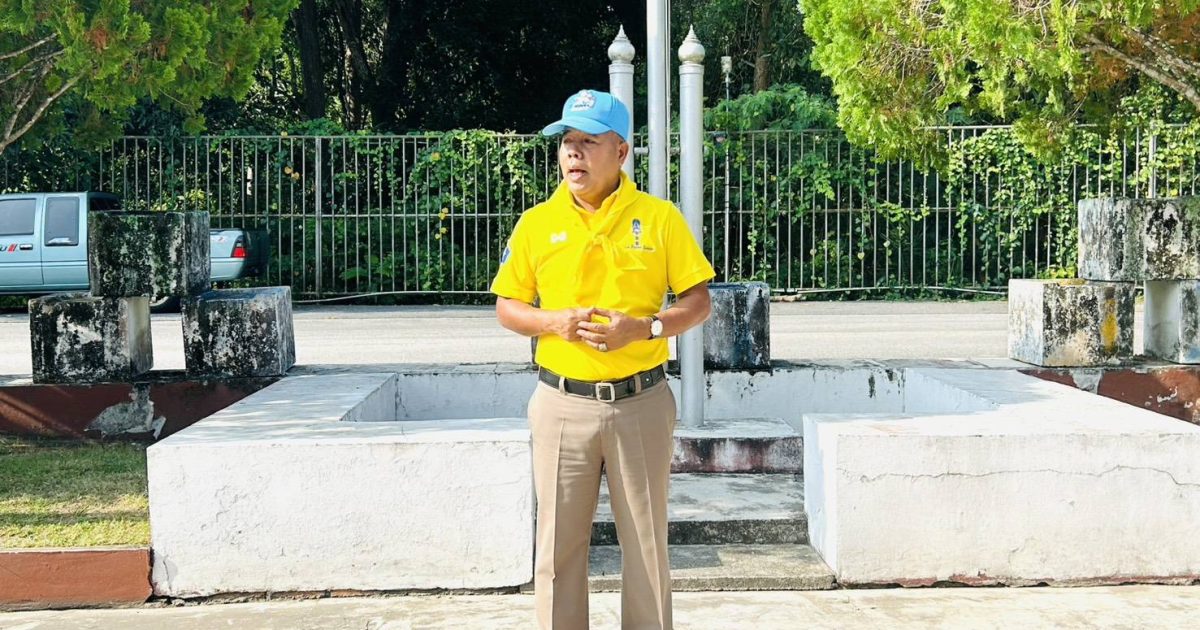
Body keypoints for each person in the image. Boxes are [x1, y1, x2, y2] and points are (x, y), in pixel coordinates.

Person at [491, 89, 715, 629]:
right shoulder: (536, 223)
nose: (574, 152)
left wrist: (646, 328)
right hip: (562, 405)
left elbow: (698, 301)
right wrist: (553, 322)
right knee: (557, 551)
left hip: (641, 403)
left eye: (588, 142)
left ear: (621, 152)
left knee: (647, 546)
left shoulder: (658, 219)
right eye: (567, 141)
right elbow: (507, 307)